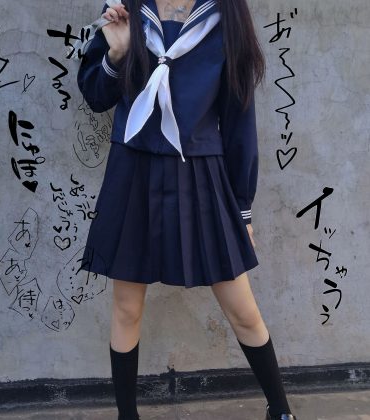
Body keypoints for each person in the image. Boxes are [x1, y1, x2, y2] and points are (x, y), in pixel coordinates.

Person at [76, 0, 298, 419]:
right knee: (127, 308)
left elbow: (239, 121)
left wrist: (242, 209)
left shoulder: (224, 16)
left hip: (201, 173)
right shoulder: (126, 9)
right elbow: (95, 96)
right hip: (133, 171)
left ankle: (281, 412)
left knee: (242, 309)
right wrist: (117, 53)